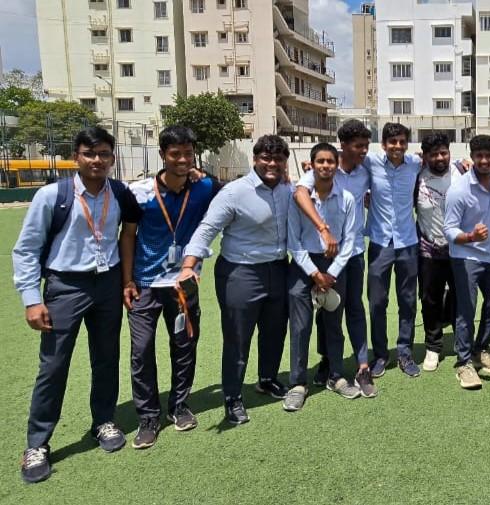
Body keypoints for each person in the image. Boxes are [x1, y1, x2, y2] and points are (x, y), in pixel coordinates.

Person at [13, 126, 141, 483]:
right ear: (76, 157)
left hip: (107, 284)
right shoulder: (52, 195)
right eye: (89, 154)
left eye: (103, 154)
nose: (97, 160)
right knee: (53, 366)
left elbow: (132, 225)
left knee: (105, 358)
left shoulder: (119, 192)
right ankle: (37, 443)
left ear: (112, 158)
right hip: (65, 286)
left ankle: (103, 421)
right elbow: (25, 250)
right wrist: (31, 299)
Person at [179, 135, 293, 425]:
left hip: (279, 268)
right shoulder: (234, 192)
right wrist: (189, 264)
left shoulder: (287, 189)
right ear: (255, 159)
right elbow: (207, 229)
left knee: (275, 331)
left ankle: (267, 379)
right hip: (241, 273)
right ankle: (232, 397)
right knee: (238, 338)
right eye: (266, 158)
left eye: (278, 159)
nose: (272, 164)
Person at [120, 125, 220, 448]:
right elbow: (127, 236)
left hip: (183, 282)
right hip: (145, 284)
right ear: (162, 155)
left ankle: (179, 406)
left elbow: (236, 195)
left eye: (188, 153)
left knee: (185, 346)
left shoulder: (205, 186)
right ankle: (148, 417)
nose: (182, 159)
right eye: (175, 153)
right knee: (141, 350)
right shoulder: (140, 193)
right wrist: (127, 280)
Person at [293, 119, 376, 397]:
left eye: (366, 145)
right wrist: (323, 229)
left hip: (352, 254)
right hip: (323, 253)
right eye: (358, 146)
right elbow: (300, 194)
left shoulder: (366, 170)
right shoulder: (322, 169)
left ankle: (362, 366)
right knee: (326, 310)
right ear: (344, 146)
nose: (363, 151)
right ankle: (328, 363)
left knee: (353, 307)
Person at [283, 143, 362, 411]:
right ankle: (297, 383)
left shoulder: (348, 199)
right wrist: (315, 273)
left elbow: (350, 241)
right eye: (320, 161)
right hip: (304, 265)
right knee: (301, 326)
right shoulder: (299, 198)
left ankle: (336, 376)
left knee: (333, 324)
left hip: (335, 268)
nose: (326, 166)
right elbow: (293, 241)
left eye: (330, 161)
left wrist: (331, 273)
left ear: (337, 164)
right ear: (312, 164)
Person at [444, 134, 490, 389]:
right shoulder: (459, 189)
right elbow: (448, 229)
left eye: (488, 156)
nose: (483, 160)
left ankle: (481, 350)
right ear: (472, 156)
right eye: (478, 155)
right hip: (466, 256)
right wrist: (470, 236)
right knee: (466, 309)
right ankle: (464, 362)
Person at [365, 122, 422, 377]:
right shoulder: (371, 163)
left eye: (401, 142)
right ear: (384, 144)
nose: (397, 146)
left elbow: (444, 165)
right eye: (392, 142)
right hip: (380, 242)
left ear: (406, 143)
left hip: (408, 242)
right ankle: (380, 354)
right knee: (377, 301)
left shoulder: (415, 164)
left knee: (408, 301)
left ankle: (405, 352)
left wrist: (462, 164)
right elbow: (342, 163)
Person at [416, 132, 460, 371]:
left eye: (444, 152)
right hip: (428, 250)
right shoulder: (417, 177)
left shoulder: (462, 173)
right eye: (434, 154)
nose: (440, 157)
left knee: (459, 297)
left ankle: (462, 344)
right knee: (429, 299)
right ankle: (433, 347)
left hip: (458, 249)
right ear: (425, 156)